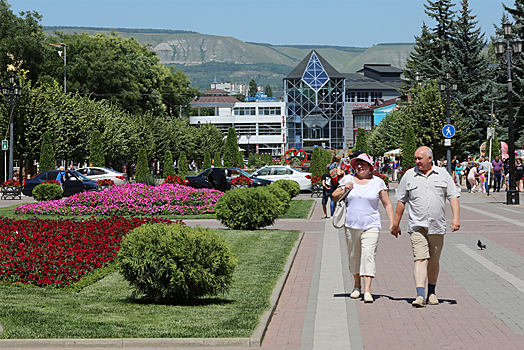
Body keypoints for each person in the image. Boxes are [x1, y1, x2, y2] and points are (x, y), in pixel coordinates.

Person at [391, 146, 460, 307]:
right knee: (420, 258)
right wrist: (396, 223)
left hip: (437, 225)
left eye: (419, 158)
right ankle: (420, 295)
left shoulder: (443, 174)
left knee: (434, 261)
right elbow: (401, 201)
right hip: (417, 225)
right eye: (415, 158)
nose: (417, 161)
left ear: (430, 158)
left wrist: (456, 218)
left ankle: (432, 292)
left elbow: (453, 196)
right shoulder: (409, 175)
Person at [332, 153, 394, 303]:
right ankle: (356, 286)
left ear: (370, 166)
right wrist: (344, 189)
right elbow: (334, 196)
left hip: (371, 225)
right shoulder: (347, 179)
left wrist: (392, 223)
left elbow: (387, 204)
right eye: (357, 163)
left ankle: (367, 290)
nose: (360, 166)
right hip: (351, 225)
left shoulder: (378, 182)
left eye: (363, 163)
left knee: (368, 255)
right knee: (354, 256)